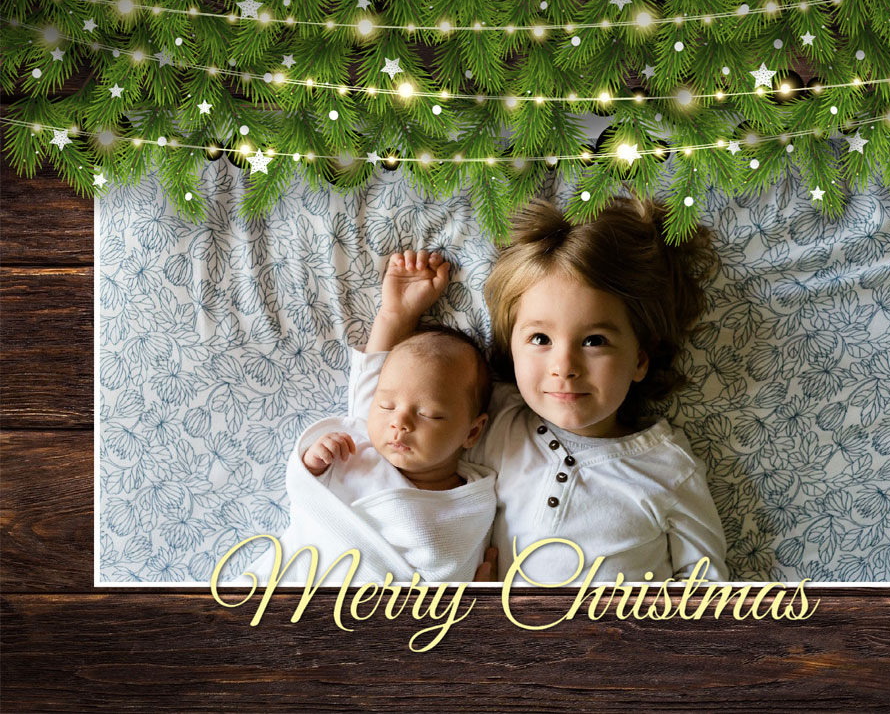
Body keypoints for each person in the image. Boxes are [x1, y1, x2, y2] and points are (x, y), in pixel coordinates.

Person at [351, 198, 728, 586]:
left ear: (640, 360)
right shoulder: (492, 424)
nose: (563, 366)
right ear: (510, 347)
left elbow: (709, 587)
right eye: (540, 338)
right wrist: (395, 318)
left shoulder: (668, 469)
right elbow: (380, 422)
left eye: (595, 340)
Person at [244, 291, 497, 586]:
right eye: (386, 406)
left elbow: (456, 565)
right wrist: (313, 464)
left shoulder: (472, 502)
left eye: (429, 414)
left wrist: (478, 591)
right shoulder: (356, 447)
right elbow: (310, 502)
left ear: (472, 432)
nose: (399, 422)